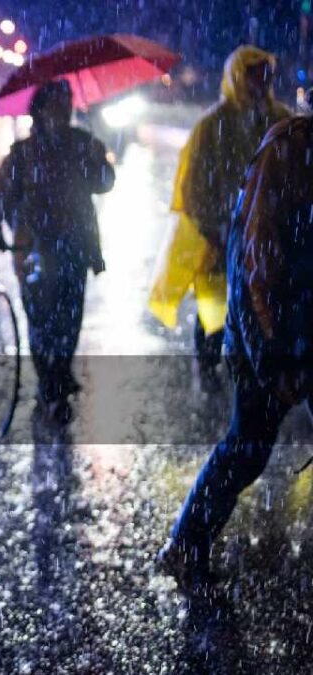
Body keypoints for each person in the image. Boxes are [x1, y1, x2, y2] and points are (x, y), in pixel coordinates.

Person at [158, 115, 313, 589]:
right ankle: (186, 544)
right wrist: (274, 356)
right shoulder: (287, 149)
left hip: (300, 323)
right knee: (248, 447)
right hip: (271, 330)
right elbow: (259, 261)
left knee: (249, 445)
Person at [149, 46, 290, 381]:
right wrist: (214, 227)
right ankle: (210, 364)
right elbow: (193, 185)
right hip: (223, 234)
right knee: (215, 304)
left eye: (265, 72)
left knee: (260, 302)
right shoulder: (212, 126)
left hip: (265, 235)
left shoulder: (279, 120)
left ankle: (252, 367)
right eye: (253, 73)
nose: (261, 81)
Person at [0, 80, 115, 425]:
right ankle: (50, 386)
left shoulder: (82, 144)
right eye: (57, 104)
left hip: (74, 248)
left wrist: (96, 155)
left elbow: (105, 183)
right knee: (42, 322)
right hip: (33, 252)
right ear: (40, 111)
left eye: (67, 103)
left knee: (70, 320)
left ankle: (59, 375)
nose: (64, 110)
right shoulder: (23, 154)